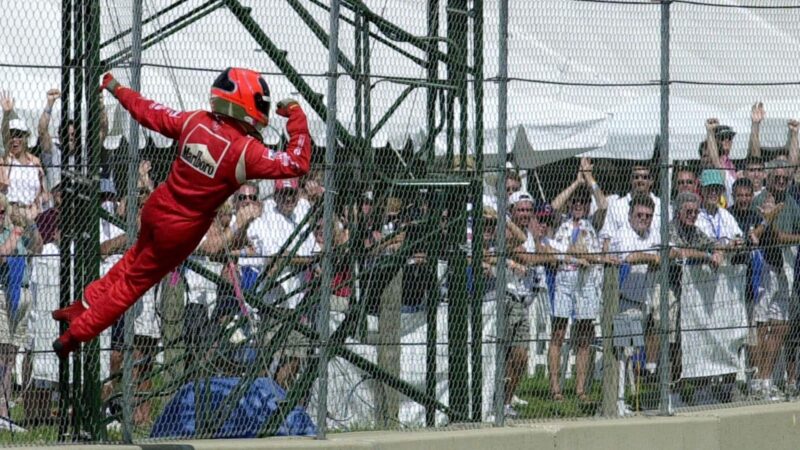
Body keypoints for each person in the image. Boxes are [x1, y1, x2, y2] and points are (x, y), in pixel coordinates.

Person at [51, 67, 312, 357]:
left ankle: (80, 308)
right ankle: (75, 335)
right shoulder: (245, 150)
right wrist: (296, 118)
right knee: (131, 285)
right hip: (180, 231)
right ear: (247, 105)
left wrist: (117, 88)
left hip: (157, 207)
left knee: (129, 263)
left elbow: (149, 111)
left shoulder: (195, 120)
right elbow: (296, 163)